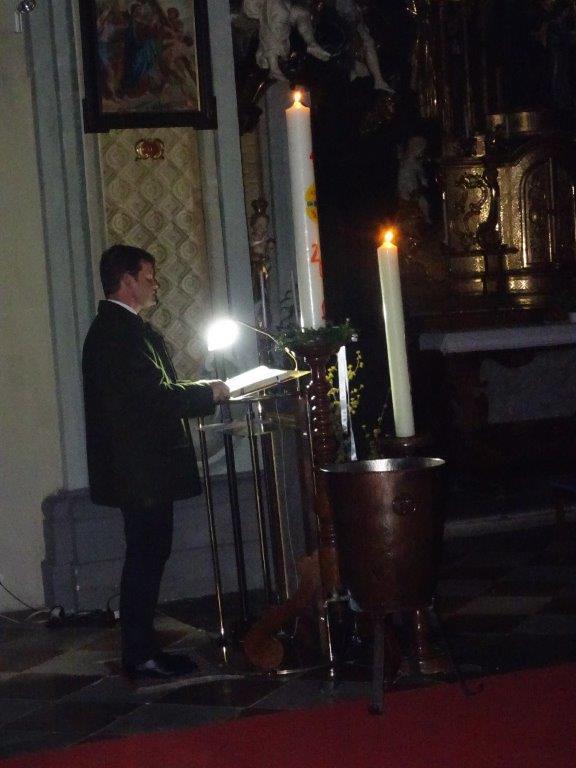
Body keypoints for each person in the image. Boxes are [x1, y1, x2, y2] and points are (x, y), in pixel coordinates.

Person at [82, 245, 229, 679]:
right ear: (127, 281)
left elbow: (149, 392)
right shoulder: (119, 333)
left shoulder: (119, 330)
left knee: (147, 555)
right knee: (146, 558)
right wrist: (208, 393)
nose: (156, 285)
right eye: (148, 278)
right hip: (140, 471)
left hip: (140, 470)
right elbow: (152, 400)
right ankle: (141, 653)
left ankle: (142, 649)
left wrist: (198, 389)